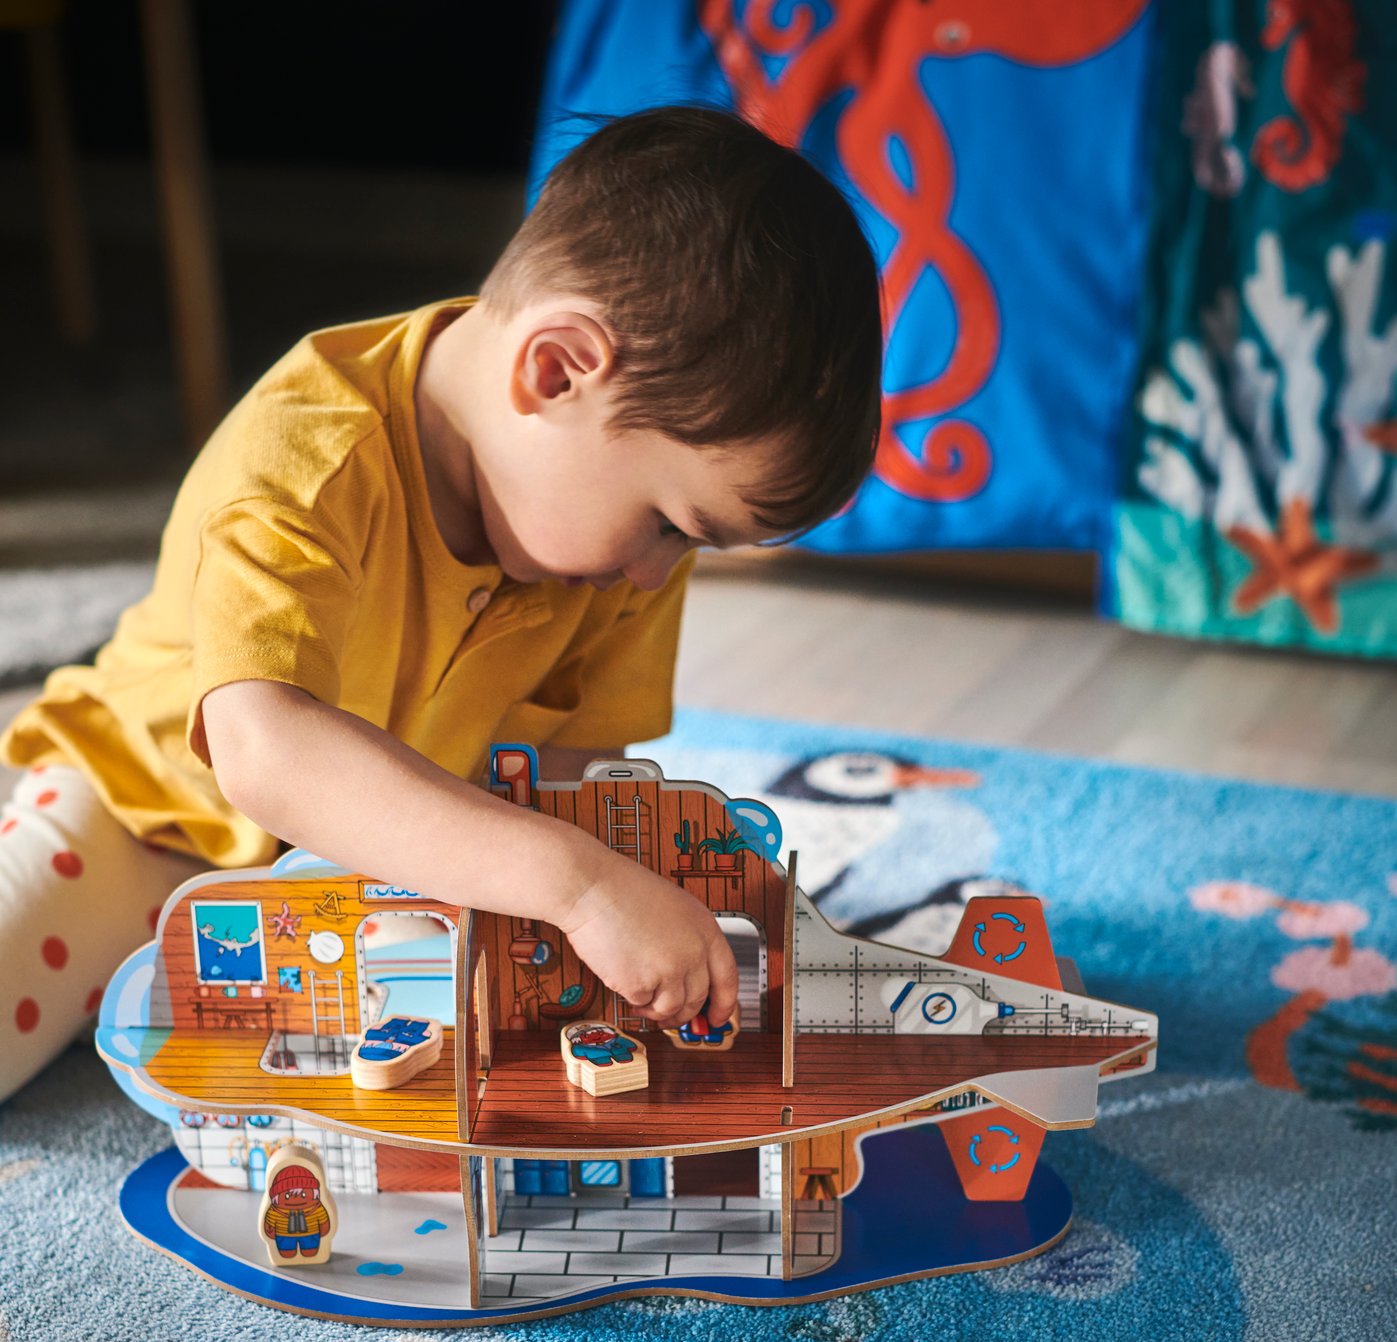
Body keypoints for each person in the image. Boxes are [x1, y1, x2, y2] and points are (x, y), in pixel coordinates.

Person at [0, 105, 884, 1103]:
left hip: (406, 871)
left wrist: (605, 904)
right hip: (149, 819)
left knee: (532, 1049)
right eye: (671, 525)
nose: (657, 571)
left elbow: (567, 784)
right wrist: (578, 885)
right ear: (553, 371)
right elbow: (262, 752)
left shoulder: (611, 553)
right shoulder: (308, 453)